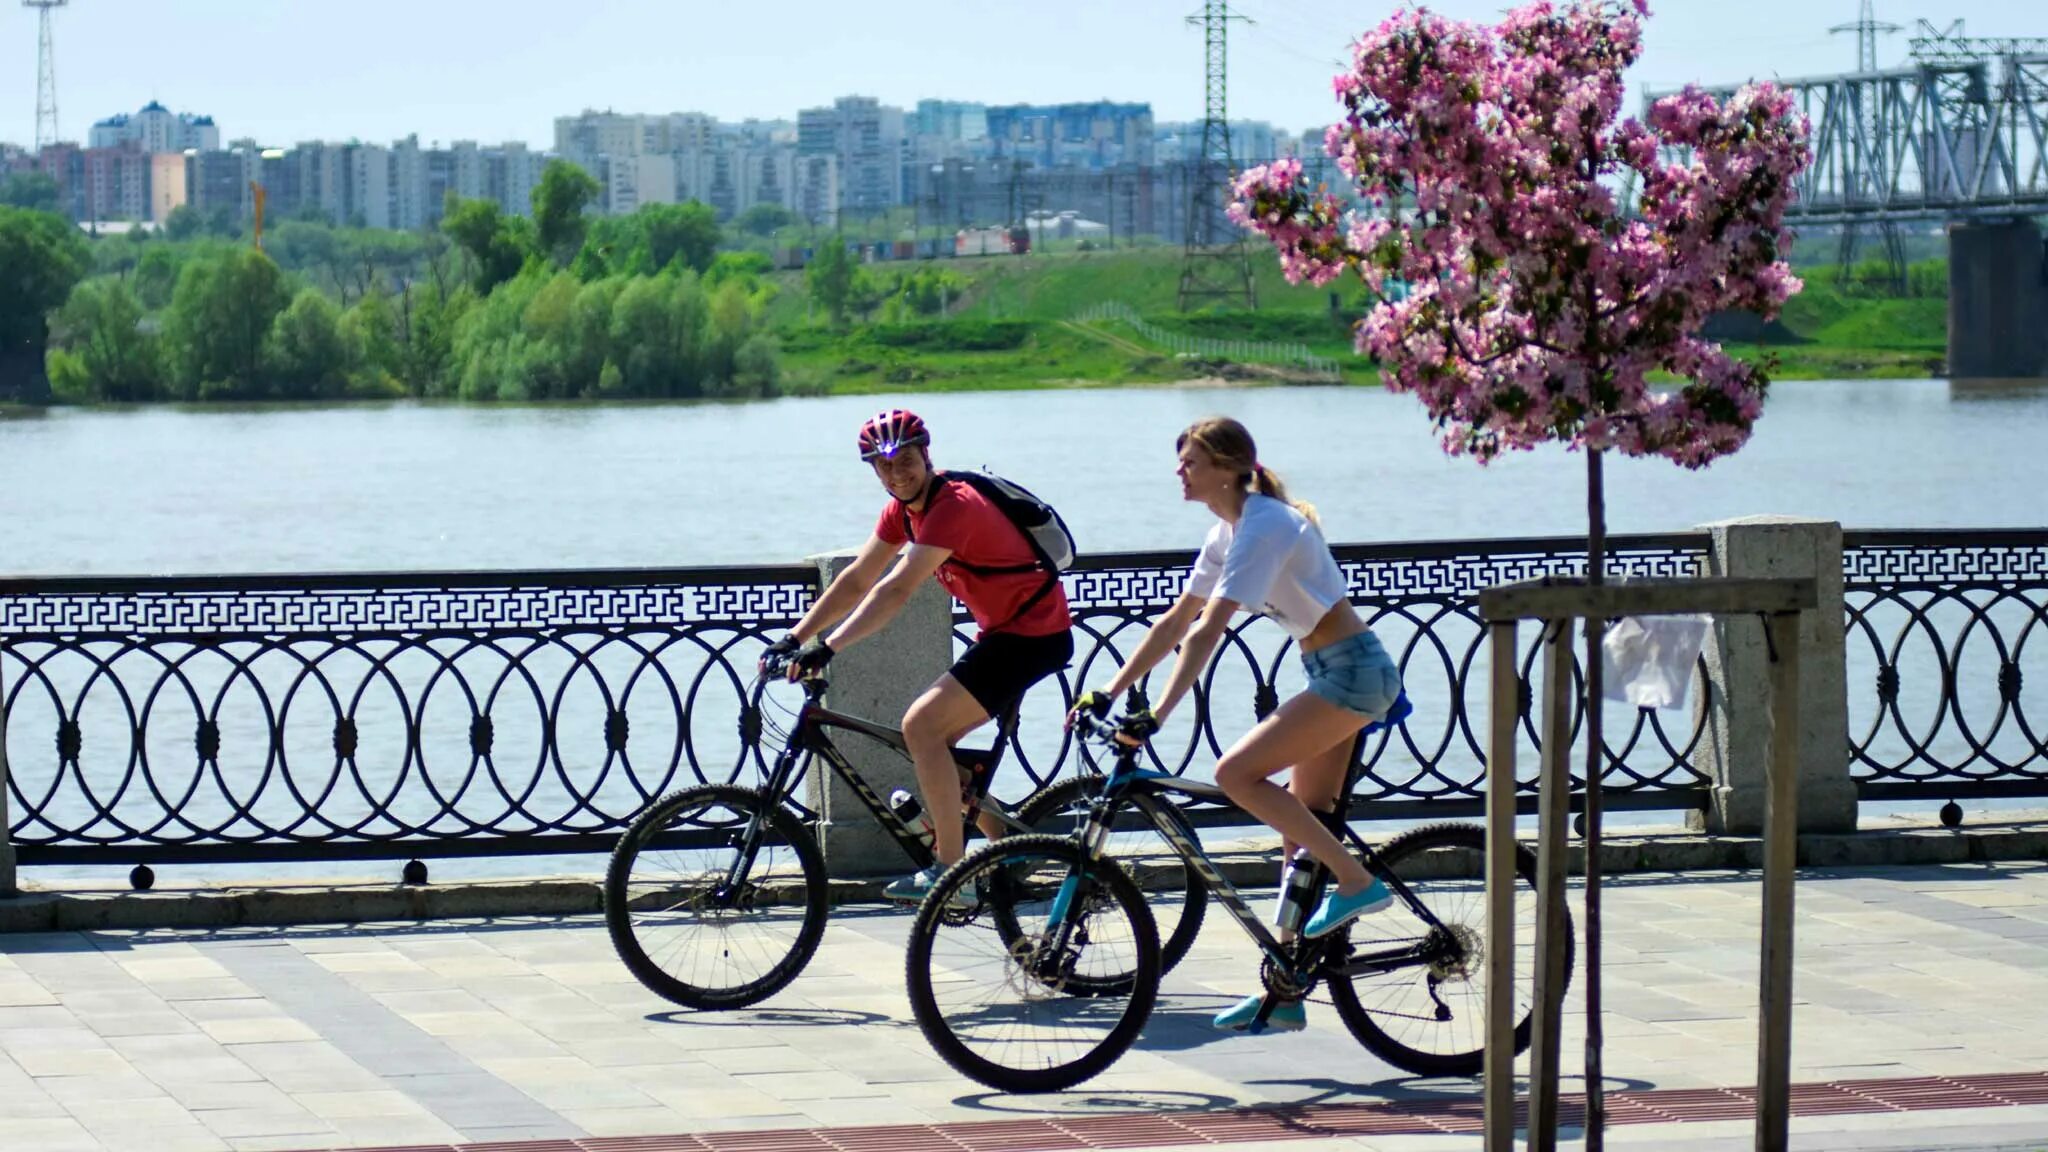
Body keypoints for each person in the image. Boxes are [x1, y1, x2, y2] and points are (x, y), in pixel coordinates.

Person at [1069, 416, 1403, 1034]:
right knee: (1299, 839)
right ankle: (1287, 992)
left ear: (1228, 467)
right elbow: (1177, 621)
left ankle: (1358, 881)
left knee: (1235, 775)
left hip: (1353, 674)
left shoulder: (1266, 524)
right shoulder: (1226, 532)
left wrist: (1157, 714)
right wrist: (1109, 689)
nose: (1179, 471)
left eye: (1191, 461)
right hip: (1331, 671)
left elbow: (1211, 628)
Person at [764, 408, 1075, 903]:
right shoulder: (901, 510)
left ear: (926, 455)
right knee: (932, 741)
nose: (896, 473)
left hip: (1032, 635)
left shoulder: (954, 506)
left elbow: (896, 589)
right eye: (883, 467)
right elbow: (857, 579)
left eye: (905, 460)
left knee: (922, 726)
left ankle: (953, 874)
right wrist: (795, 636)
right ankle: (1010, 842)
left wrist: (829, 647)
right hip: (1004, 634)